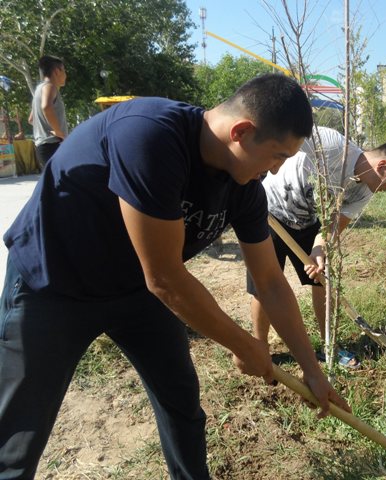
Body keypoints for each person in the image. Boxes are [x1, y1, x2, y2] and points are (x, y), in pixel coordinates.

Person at [0, 73, 350, 479]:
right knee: (19, 433)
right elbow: (165, 277)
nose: (274, 172)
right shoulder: (149, 136)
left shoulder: (245, 188)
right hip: (54, 283)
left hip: (137, 293)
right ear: (241, 132)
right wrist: (244, 344)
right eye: (275, 156)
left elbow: (271, 281)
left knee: (181, 403)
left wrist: (312, 369)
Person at [247, 126, 386, 366]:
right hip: (269, 212)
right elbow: (280, 138)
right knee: (263, 285)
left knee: (323, 281)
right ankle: (259, 348)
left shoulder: (364, 193)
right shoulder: (332, 145)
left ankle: (330, 348)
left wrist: (319, 248)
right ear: (382, 167)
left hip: (308, 222)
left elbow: (333, 226)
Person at [28, 55, 68, 169]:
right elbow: (46, 107)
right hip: (52, 145)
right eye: (64, 71)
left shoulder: (39, 90)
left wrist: (44, 128)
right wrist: (58, 131)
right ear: (57, 71)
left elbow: (31, 119)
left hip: (43, 147)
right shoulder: (50, 87)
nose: (65, 75)